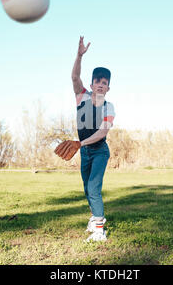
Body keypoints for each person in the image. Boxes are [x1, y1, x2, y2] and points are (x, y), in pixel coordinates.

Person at [71, 36, 115, 242]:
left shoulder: (109, 107)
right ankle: (94, 218)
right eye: (97, 81)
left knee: (94, 187)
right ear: (91, 84)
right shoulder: (82, 96)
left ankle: (99, 229)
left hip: (99, 151)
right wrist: (79, 56)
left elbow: (102, 133)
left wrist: (80, 143)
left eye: (104, 83)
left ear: (108, 88)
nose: (100, 85)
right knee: (86, 188)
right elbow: (74, 77)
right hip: (85, 151)